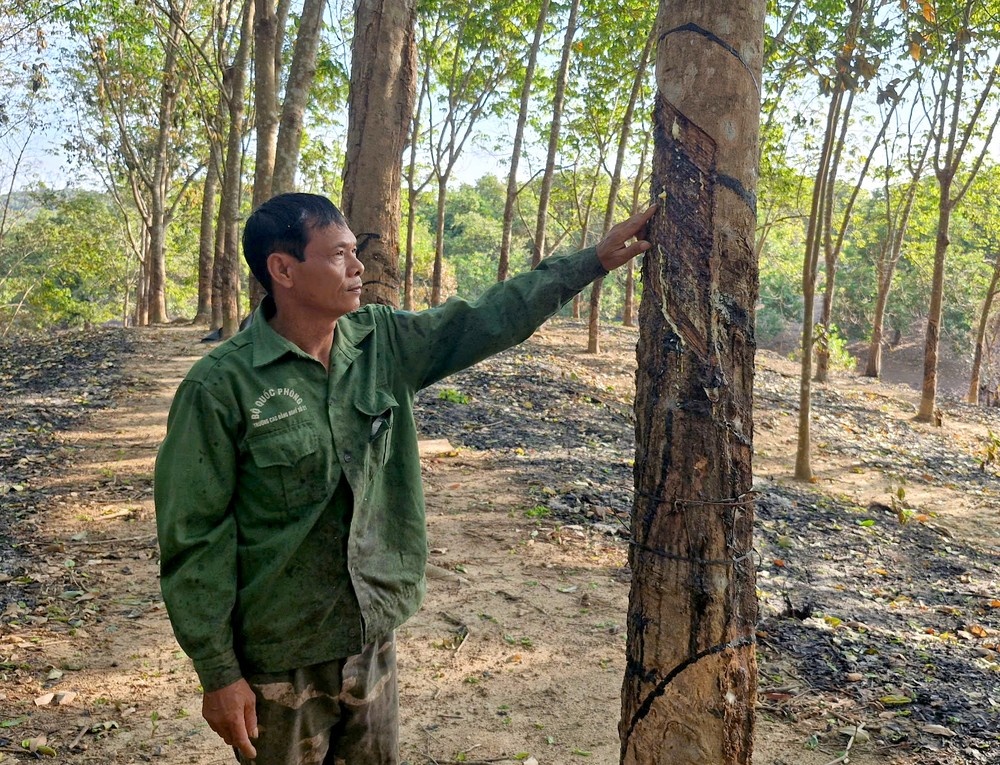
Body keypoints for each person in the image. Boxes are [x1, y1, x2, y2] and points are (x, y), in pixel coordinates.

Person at [154, 192, 656, 765]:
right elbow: (194, 537)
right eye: (339, 254)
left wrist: (592, 260)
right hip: (278, 652)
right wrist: (218, 674)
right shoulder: (220, 387)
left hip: (370, 636)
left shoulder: (382, 343)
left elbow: (489, 317)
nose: (358, 267)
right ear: (283, 269)